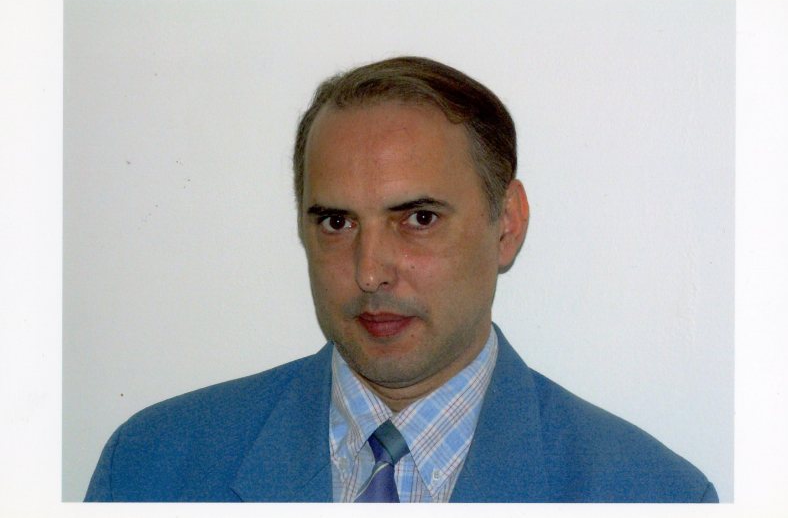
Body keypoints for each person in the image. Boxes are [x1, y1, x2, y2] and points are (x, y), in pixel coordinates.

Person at [84, 56, 717, 503]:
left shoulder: (652, 494)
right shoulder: (150, 468)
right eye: (337, 222)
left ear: (506, 225)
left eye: (418, 219)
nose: (369, 271)